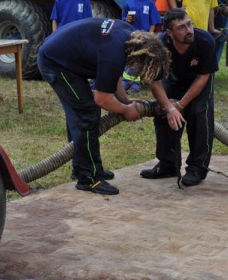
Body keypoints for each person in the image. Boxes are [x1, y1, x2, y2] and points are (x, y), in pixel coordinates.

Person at [38, 18, 184, 195]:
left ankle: (83, 168)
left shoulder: (127, 37)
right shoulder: (113, 54)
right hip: (56, 64)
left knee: (82, 114)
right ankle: (89, 178)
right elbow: (102, 98)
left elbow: (112, 77)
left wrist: (126, 101)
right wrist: (125, 110)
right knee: (87, 113)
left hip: (67, 55)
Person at [140, 8, 218, 187]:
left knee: (199, 114)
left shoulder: (205, 41)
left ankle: (197, 168)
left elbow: (203, 77)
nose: (189, 30)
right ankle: (168, 165)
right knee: (162, 112)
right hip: (174, 80)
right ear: (170, 33)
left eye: (189, 24)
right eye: (181, 28)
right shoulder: (158, 46)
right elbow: (155, 82)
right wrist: (169, 108)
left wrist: (181, 105)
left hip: (199, 80)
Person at [121, 0, 162, 94]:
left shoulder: (150, 3)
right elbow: (123, 19)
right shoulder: (128, 3)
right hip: (133, 35)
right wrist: (127, 20)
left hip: (145, 36)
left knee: (141, 59)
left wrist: (151, 33)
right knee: (131, 58)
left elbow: (153, 20)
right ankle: (131, 84)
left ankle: (135, 85)